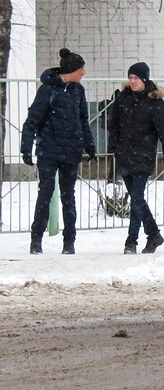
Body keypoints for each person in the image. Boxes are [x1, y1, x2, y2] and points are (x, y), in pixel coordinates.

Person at [20, 48, 96, 255]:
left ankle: (69, 242)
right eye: (81, 69)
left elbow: (83, 121)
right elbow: (32, 120)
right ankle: (36, 240)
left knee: (68, 196)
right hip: (49, 151)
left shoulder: (78, 91)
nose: (84, 73)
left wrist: (90, 145)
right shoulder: (47, 90)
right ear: (71, 70)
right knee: (45, 194)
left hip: (71, 151)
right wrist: (26, 147)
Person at [108, 62, 164, 254]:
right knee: (136, 198)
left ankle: (131, 241)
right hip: (125, 155)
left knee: (137, 198)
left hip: (143, 157)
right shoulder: (123, 99)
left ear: (144, 79)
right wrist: (114, 148)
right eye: (130, 78)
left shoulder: (155, 103)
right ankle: (154, 234)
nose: (132, 82)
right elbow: (113, 125)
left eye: (136, 78)